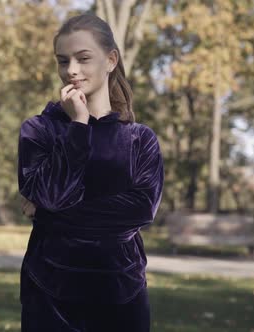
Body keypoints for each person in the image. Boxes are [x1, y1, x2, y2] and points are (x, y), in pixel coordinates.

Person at [17, 13, 164, 332]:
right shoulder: (38, 131)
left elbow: (140, 210)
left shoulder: (140, 139)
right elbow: (52, 194)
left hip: (121, 292)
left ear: (111, 60)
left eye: (83, 58)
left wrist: (49, 214)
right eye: (62, 61)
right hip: (49, 292)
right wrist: (79, 126)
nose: (71, 70)